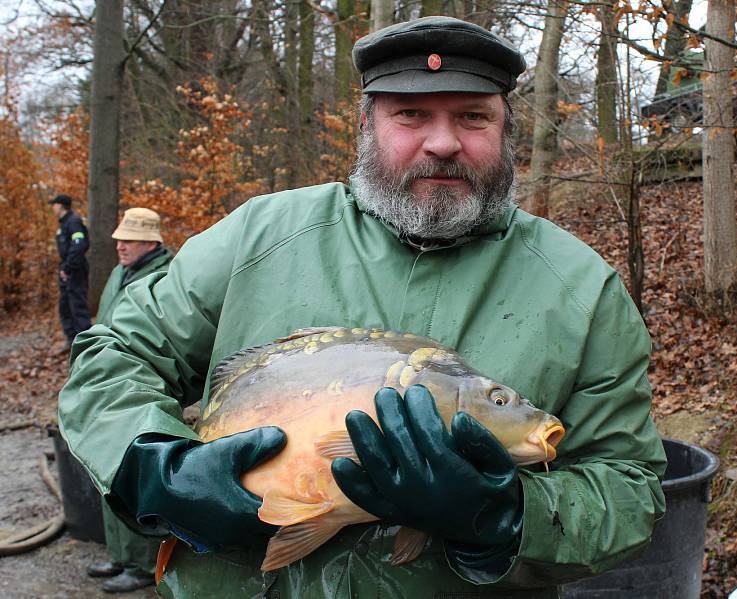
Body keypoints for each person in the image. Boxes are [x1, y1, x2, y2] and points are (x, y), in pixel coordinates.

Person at [59, 17, 667, 599]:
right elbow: (116, 357)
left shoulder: (583, 291)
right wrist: (156, 467)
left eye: (473, 117)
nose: (444, 142)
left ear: (506, 130)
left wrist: (504, 518)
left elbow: (628, 487)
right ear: (368, 124)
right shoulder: (258, 236)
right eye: (411, 114)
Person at [86, 207, 173, 593]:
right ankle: (121, 555)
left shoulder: (167, 274)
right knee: (107, 468)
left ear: (151, 242)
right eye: (120, 238)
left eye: (129, 239)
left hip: (144, 389)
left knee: (134, 474)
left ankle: (142, 564)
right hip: (109, 385)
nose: (120, 246)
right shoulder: (122, 271)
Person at [50, 194, 90, 348]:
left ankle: (86, 343)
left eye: (54, 204)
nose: (53, 207)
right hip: (66, 268)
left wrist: (68, 267)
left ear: (60, 205)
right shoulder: (64, 224)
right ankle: (72, 340)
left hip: (75, 269)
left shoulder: (73, 222)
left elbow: (79, 245)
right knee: (65, 305)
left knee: (77, 305)